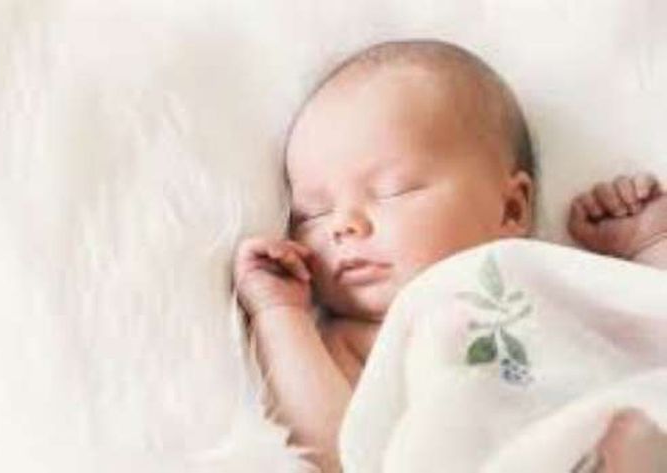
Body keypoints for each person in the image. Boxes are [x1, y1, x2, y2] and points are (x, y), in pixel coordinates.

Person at [232, 39, 667, 472]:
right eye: (313, 213)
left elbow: (651, 333)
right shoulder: (360, 340)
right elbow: (335, 449)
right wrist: (279, 314)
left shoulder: (545, 273)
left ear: (511, 208)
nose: (342, 225)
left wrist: (650, 245)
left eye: (394, 190)